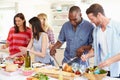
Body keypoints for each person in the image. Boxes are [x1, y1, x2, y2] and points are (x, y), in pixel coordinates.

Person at [81, 3, 120, 78]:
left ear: (99, 15)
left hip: (117, 70)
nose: (91, 22)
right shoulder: (95, 31)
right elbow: (95, 49)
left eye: (92, 19)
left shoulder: (117, 26)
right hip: (101, 70)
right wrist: (87, 56)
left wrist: (110, 61)